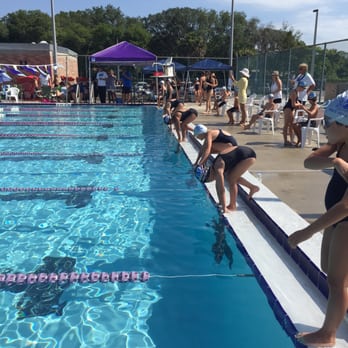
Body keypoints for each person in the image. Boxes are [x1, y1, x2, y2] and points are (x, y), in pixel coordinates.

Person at [288, 90, 348, 348]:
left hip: (345, 218)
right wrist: (334, 161)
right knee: (328, 269)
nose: (324, 129)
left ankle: (328, 334)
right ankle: (339, 310)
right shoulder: (340, 145)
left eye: (326, 124)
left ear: (342, 124)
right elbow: (309, 162)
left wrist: (306, 232)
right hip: (335, 219)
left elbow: (345, 206)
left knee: (337, 280)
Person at [194, 124, 259, 213]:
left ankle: (232, 206)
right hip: (240, 152)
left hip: (247, 155)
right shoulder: (216, 166)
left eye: (208, 180)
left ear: (210, 175)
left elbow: (221, 189)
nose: (211, 180)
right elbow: (219, 188)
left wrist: (224, 208)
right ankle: (252, 187)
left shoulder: (218, 168)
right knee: (230, 175)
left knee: (232, 180)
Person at [282, 80, 307, 147]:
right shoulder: (294, 92)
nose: (303, 89)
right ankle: (285, 141)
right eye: (303, 88)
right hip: (288, 108)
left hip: (291, 109)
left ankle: (291, 140)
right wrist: (300, 105)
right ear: (299, 86)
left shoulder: (297, 92)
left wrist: (298, 104)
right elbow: (293, 104)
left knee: (292, 125)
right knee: (286, 125)